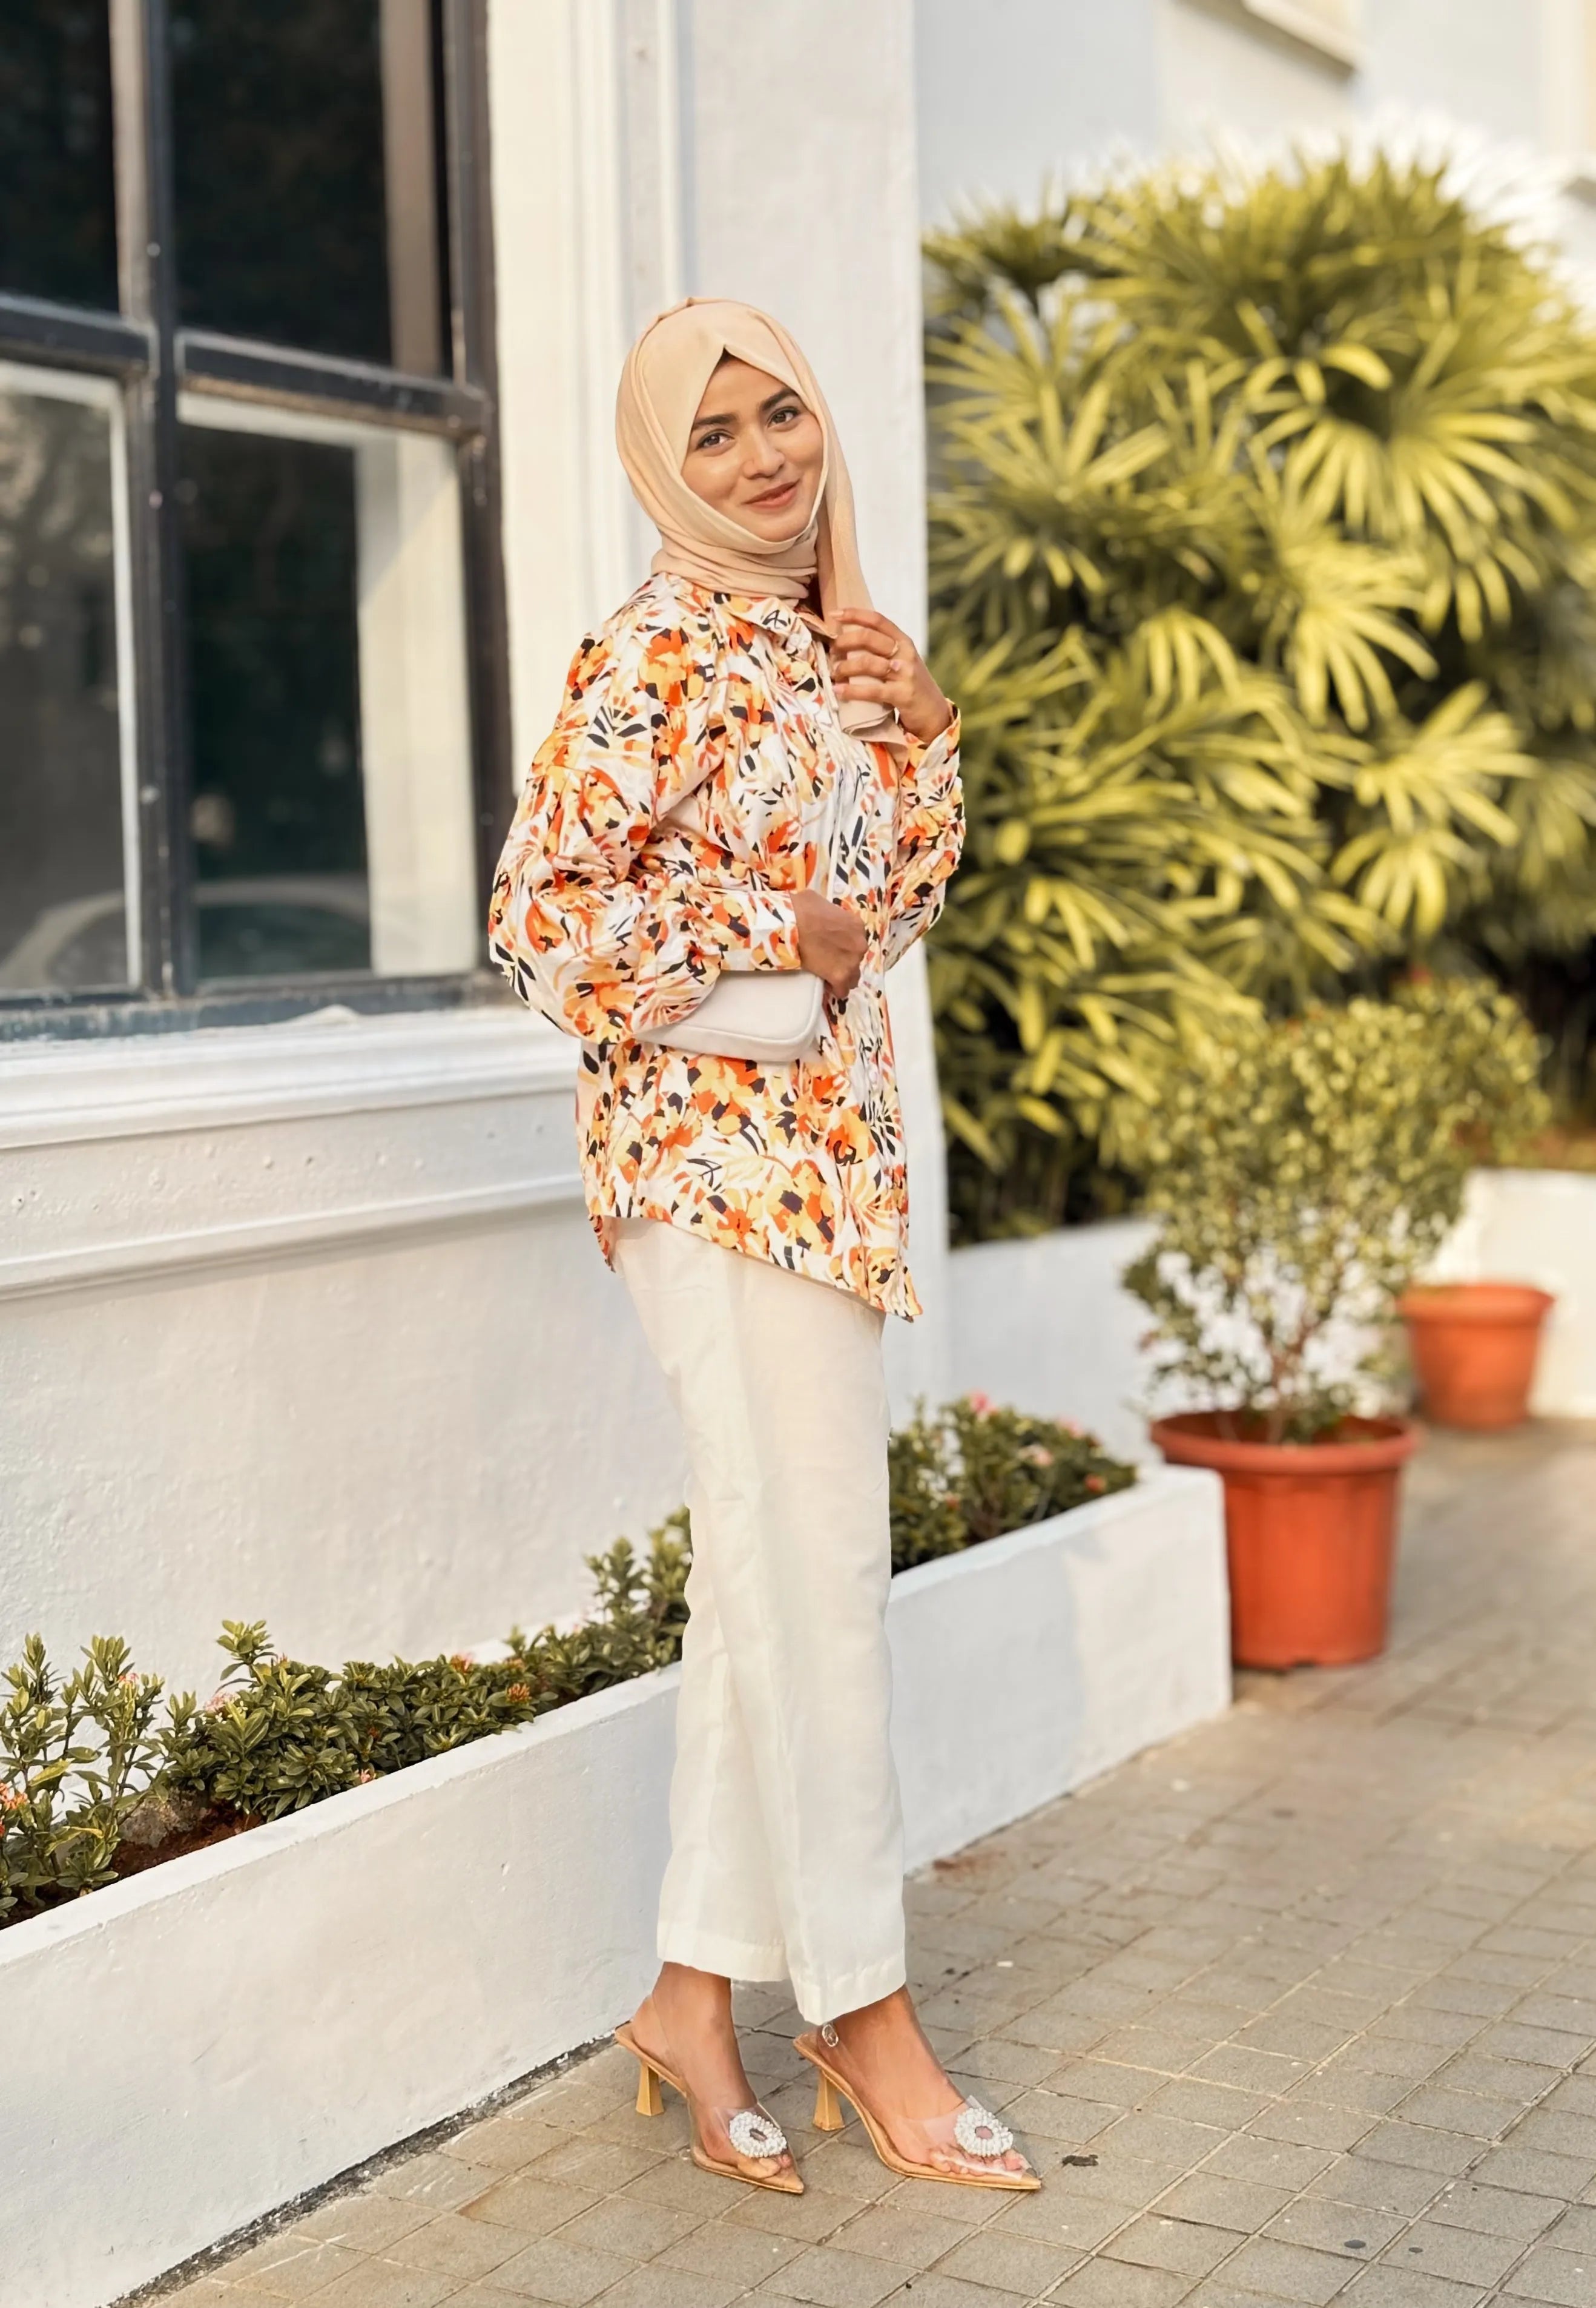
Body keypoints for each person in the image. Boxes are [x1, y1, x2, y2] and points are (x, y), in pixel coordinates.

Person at [489, 298, 1036, 2195]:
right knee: (822, 1581)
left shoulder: (821, 640)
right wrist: (767, 929)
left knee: (769, 1583)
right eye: (710, 433)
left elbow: (881, 909)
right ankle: (863, 2007)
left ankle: (687, 1995)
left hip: (822, 1169)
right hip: (712, 1176)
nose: (760, 457)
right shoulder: (649, 650)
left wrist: (925, 732)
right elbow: (540, 915)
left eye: (778, 411)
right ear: (661, 463)